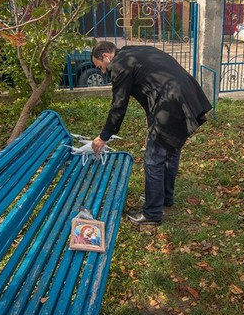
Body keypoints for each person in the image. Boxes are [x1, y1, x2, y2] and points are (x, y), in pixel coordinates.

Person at [91, 41, 212, 226]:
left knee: (153, 160)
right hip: (186, 93)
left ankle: (152, 213)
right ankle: (165, 197)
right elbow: (152, 80)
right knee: (170, 151)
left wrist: (103, 136)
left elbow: (118, 106)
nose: (102, 72)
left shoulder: (119, 65)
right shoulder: (133, 51)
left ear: (106, 56)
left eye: (101, 67)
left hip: (170, 102)